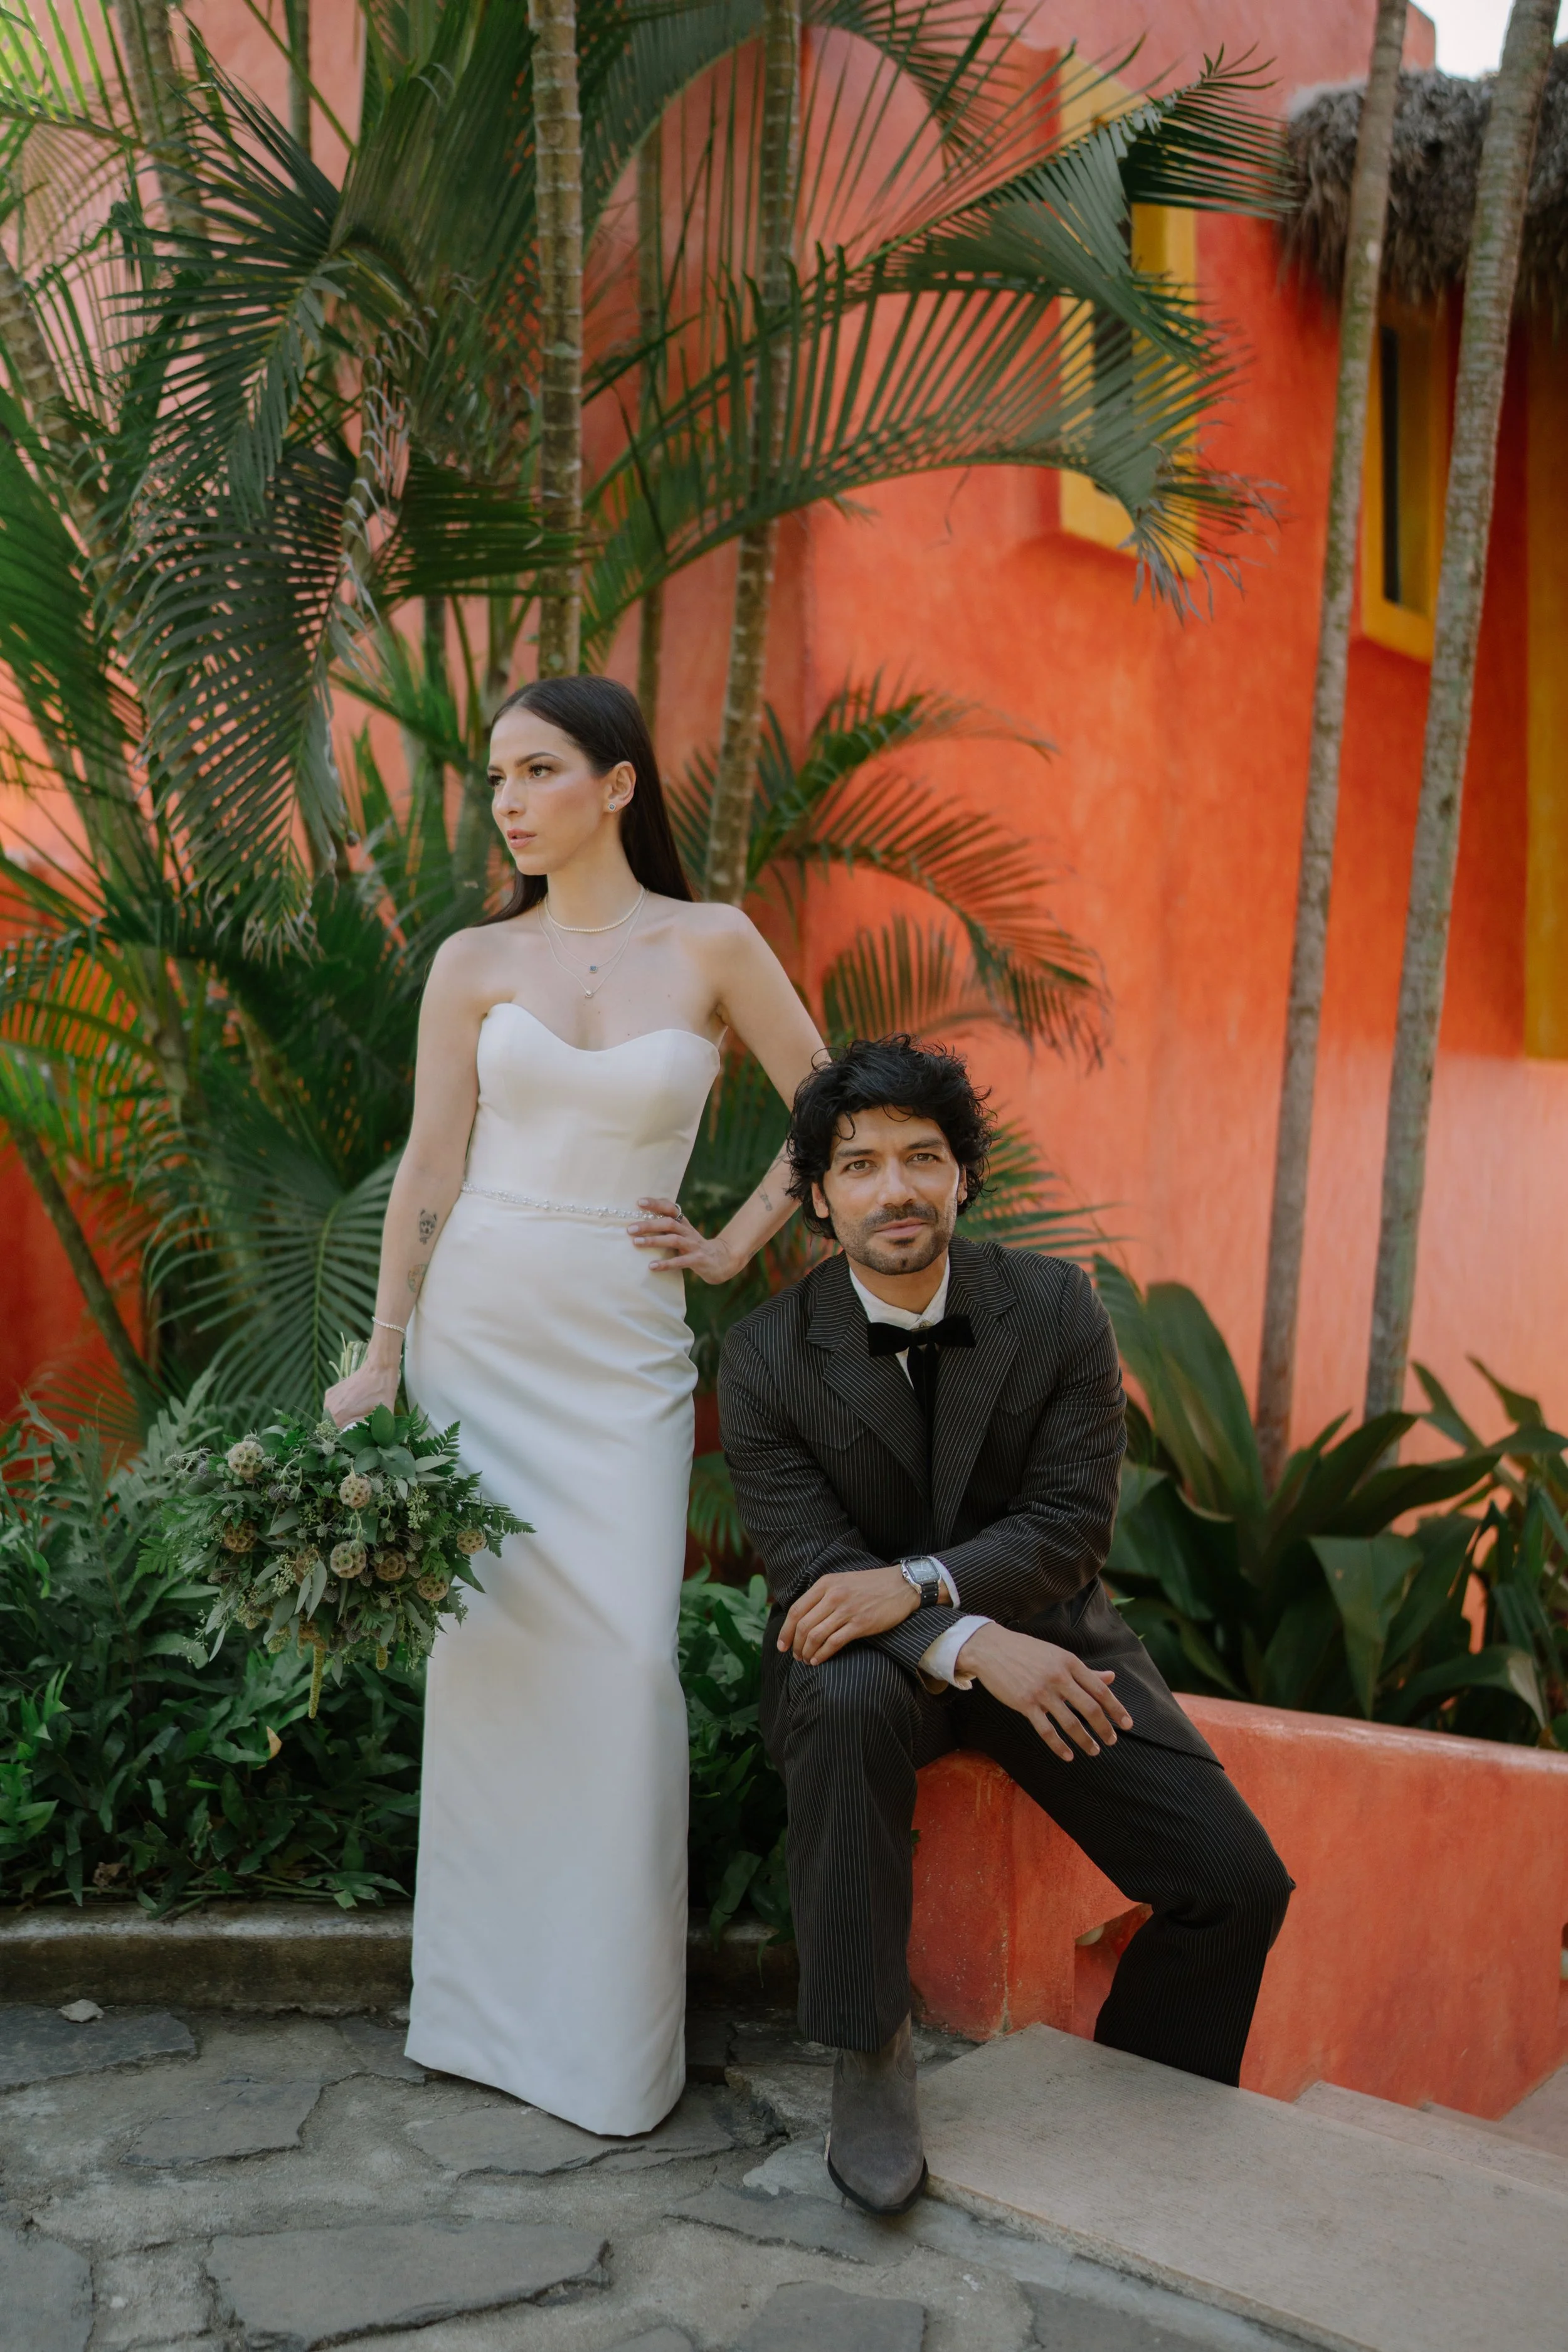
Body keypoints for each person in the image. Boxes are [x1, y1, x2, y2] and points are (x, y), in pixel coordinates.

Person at [325, 675, 822, 2136]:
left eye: (537, 770)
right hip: (479, 1326)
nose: (508, 800)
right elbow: (428, 1167)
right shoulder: (473, 959)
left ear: (616, 785)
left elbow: (833, 1101)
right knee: (489, 1676)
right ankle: (481, 2024)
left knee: (620, 1674)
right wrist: (380, 1350)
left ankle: (608, 2051)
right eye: (494, 779)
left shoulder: (713, 942)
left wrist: (732, 1244)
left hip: (622, 1350)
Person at [718, 1036, 1293, 2215]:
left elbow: (1071, 1525)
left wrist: (926, 1583)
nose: (896, 1188)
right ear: (818, 1194)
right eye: (861, 1162)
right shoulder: (766, 1354)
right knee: (838, 1680)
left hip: (1053, 1641)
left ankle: (1147, 2097)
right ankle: (869, 2049)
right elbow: (819, 1575)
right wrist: (968, 1643)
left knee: (1236, 1882)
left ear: (962, 1175)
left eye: (922, 1156)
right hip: (888, 1662)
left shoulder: (1055, 1306)